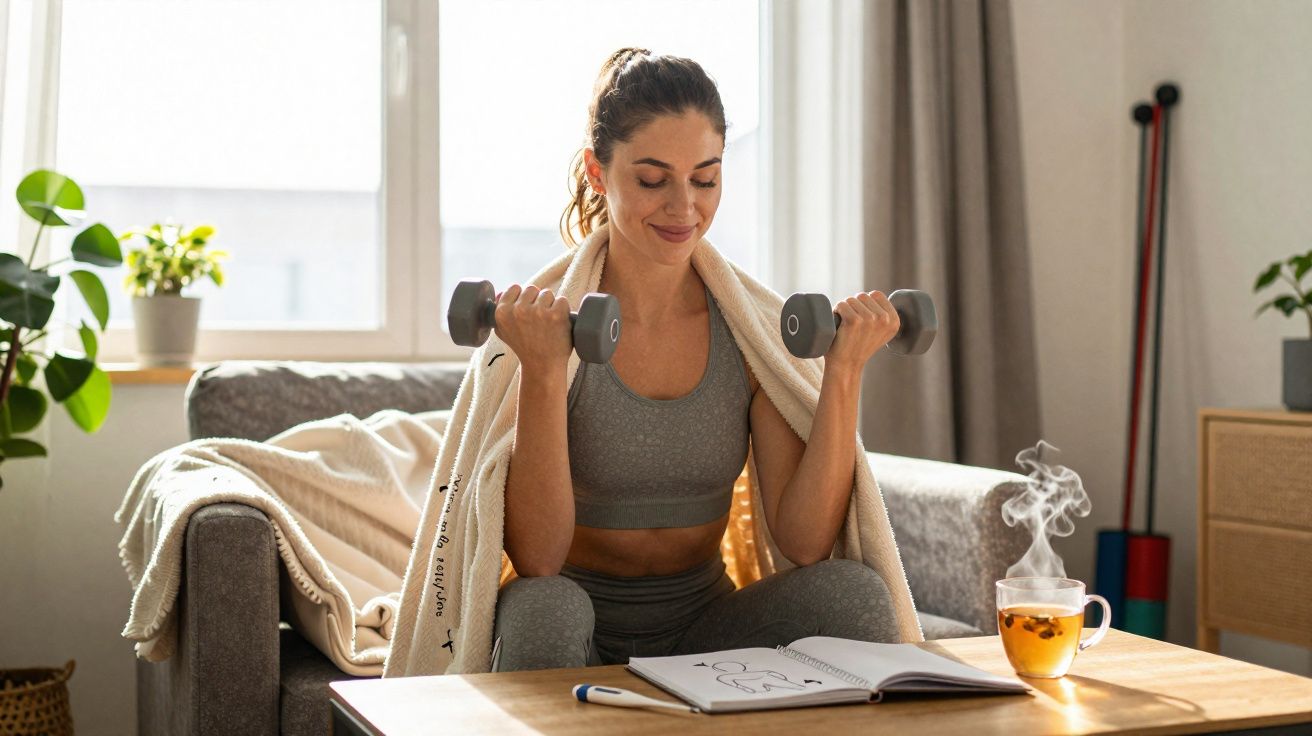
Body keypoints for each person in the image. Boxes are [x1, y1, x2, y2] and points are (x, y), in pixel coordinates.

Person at [490, 48, 902, 671]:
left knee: (852, 594)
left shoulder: (749, 332)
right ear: (598, 173)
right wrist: (543, 372)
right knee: (547, 606)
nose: (685, 208)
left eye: (705, 179)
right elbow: (539, 562)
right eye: (653, 180)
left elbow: (804, 541)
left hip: (704, 628)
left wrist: (842, 371)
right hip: (577, 628)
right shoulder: (552, 332)